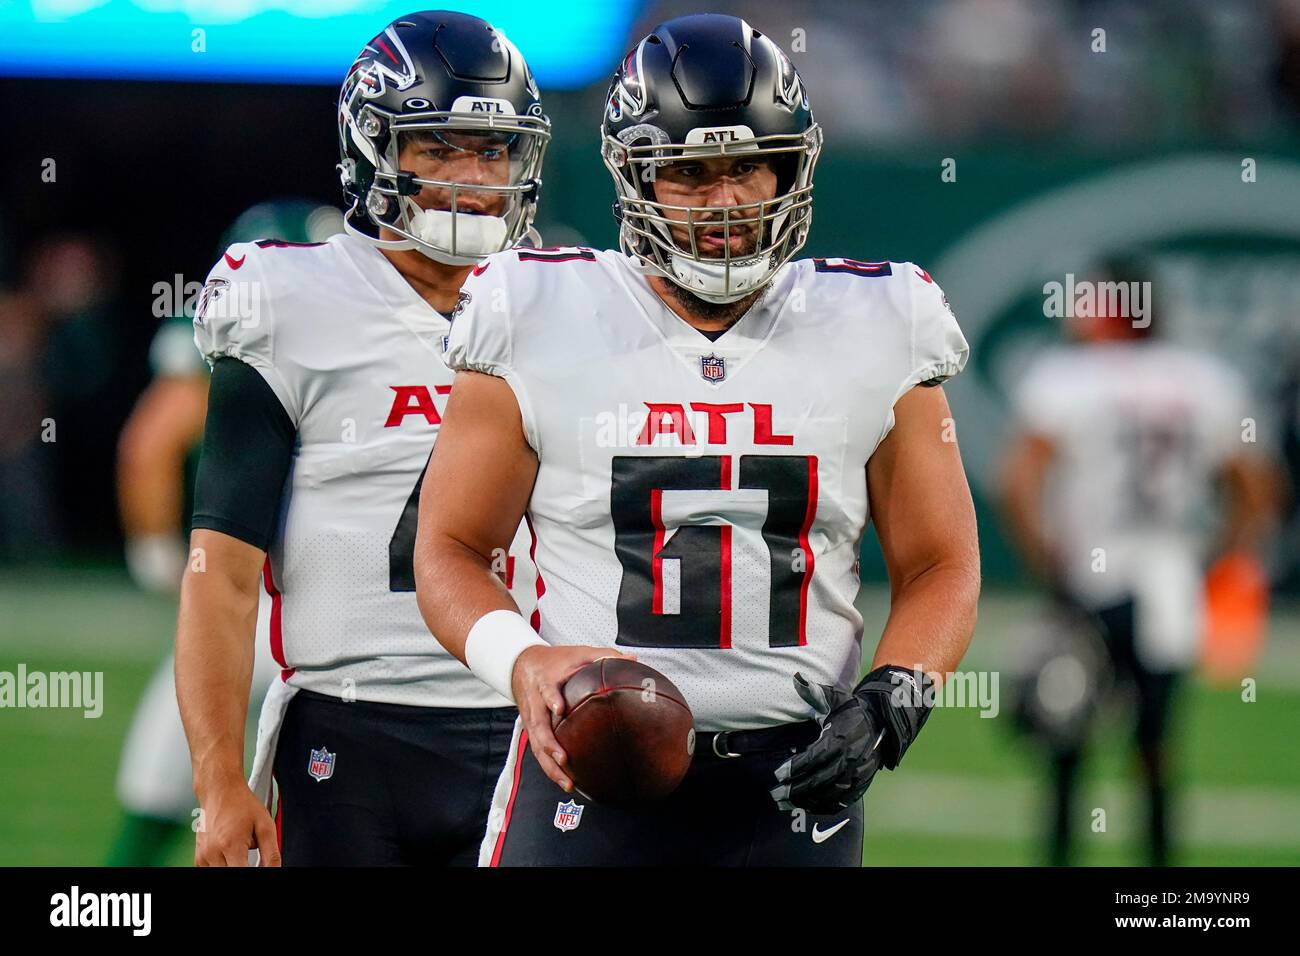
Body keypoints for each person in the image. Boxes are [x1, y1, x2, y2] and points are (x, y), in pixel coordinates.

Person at [413, 14, 980, 866]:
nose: (725, 202)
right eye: (691, 172)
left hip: (794, 781)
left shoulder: (879, 321)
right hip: (588, 766)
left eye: (748, 167)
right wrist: (522, 662)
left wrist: (894, 696)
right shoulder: (534, 310)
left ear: (790, 164)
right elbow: (452, 548)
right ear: (636, 175)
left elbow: (942, 564)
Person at [175, 10, 549, 866]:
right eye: (439, 147)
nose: (471, 177)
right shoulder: (289, 297)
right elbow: (222, 574)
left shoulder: (555, 302)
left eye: (492, 151)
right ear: (374, 150)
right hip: (350, 729)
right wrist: (218, 783)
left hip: (528, 715)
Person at [1000, 257, 1280, 866]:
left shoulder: (1067, 378)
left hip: (1089, 579)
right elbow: (1259, 488)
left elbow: (1017, 484)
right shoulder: (1202, 380)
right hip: (1170, 583)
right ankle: (1160, 891)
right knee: (1155, 746)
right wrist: (1218, 559)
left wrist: (1047, 563)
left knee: (1064, 738)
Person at [107, 200, 340, 866]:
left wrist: (157, 556)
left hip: (257, 596)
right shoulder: (389, 332)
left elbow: (147, 444)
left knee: (163, 780)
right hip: (353, 604)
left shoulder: (231, 336)